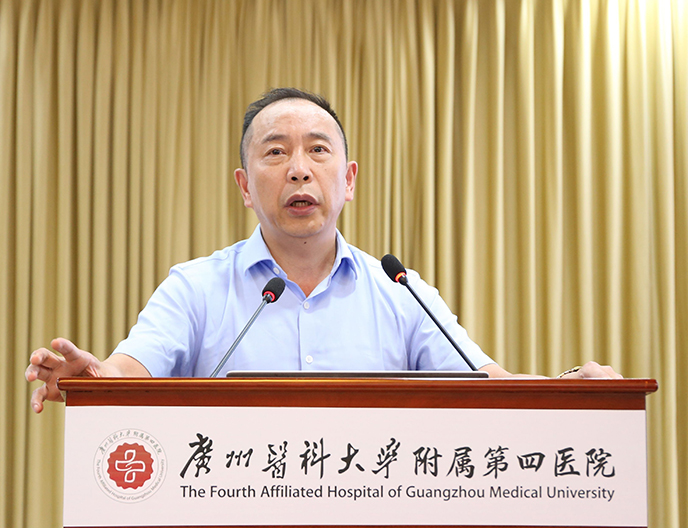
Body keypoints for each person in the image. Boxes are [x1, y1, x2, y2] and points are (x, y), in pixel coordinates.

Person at [25, 88, 621, 413]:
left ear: (349, 179)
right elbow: (133, 372)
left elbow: (488, 385)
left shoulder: (400, 291)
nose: (299, 170)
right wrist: (94, 377)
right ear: (244, 186)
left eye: (317, 150)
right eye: (276, 152)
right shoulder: (195, 287)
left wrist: (571, 385)